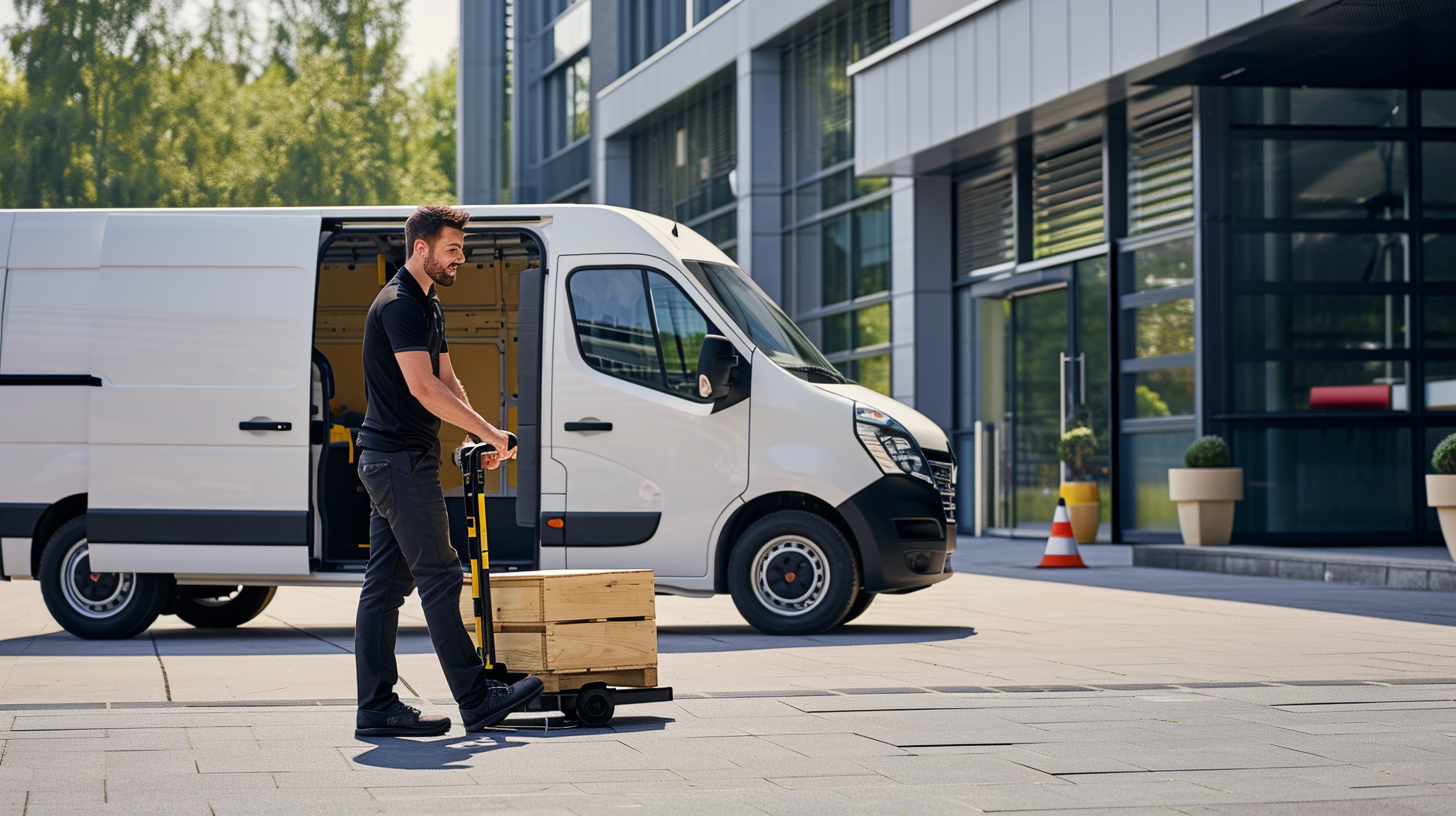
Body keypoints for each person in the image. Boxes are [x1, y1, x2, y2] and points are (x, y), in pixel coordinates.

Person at [353, 205, 542, 737]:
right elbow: (421, 388)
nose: (461, 258)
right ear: (422, 248)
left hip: (398, 460)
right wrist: (490, 432)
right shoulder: (397, 305)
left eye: (462, 249)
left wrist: (473, 432)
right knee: (439, 575)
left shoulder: (426, 303)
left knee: (386, 587)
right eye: (452, 249)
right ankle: (477, 697)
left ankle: (376, 708)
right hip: (396, 462)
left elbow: (446, 377)